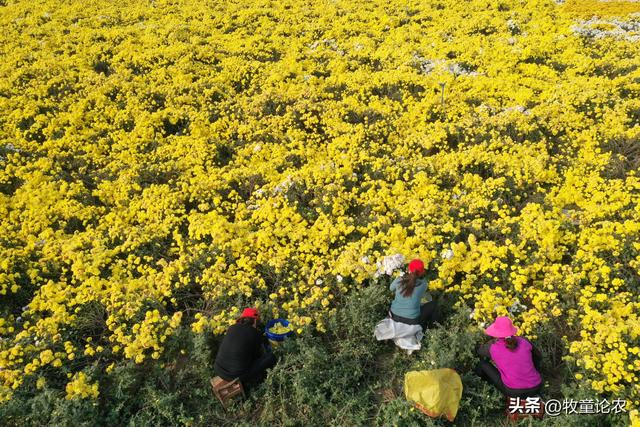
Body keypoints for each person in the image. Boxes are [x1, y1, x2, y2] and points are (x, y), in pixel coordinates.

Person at [475, 316, 543, 398]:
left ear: (496, 333)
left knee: (482, 364)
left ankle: (482, 386)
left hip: (514, 392)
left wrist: (492, 341)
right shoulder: (524, 341)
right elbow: (538, 357)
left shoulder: (493, 347)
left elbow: (479, 351)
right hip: (536, 386)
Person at [214, 307, 277, 390]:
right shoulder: (255, 334)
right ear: (254, 321)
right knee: (271, 357)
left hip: (218, 369)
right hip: (236, 376)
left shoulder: (232, 327)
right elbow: (256, 356)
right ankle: (259, 381)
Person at [388, 259, 439, 329]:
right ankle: (431, 328)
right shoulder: (423, 284)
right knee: (434, 304)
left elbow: (391, 288)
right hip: (411, 321)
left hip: (394, 317)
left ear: (409, 269)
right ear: (422, 272)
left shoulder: (399, 280)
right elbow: (423, 297)